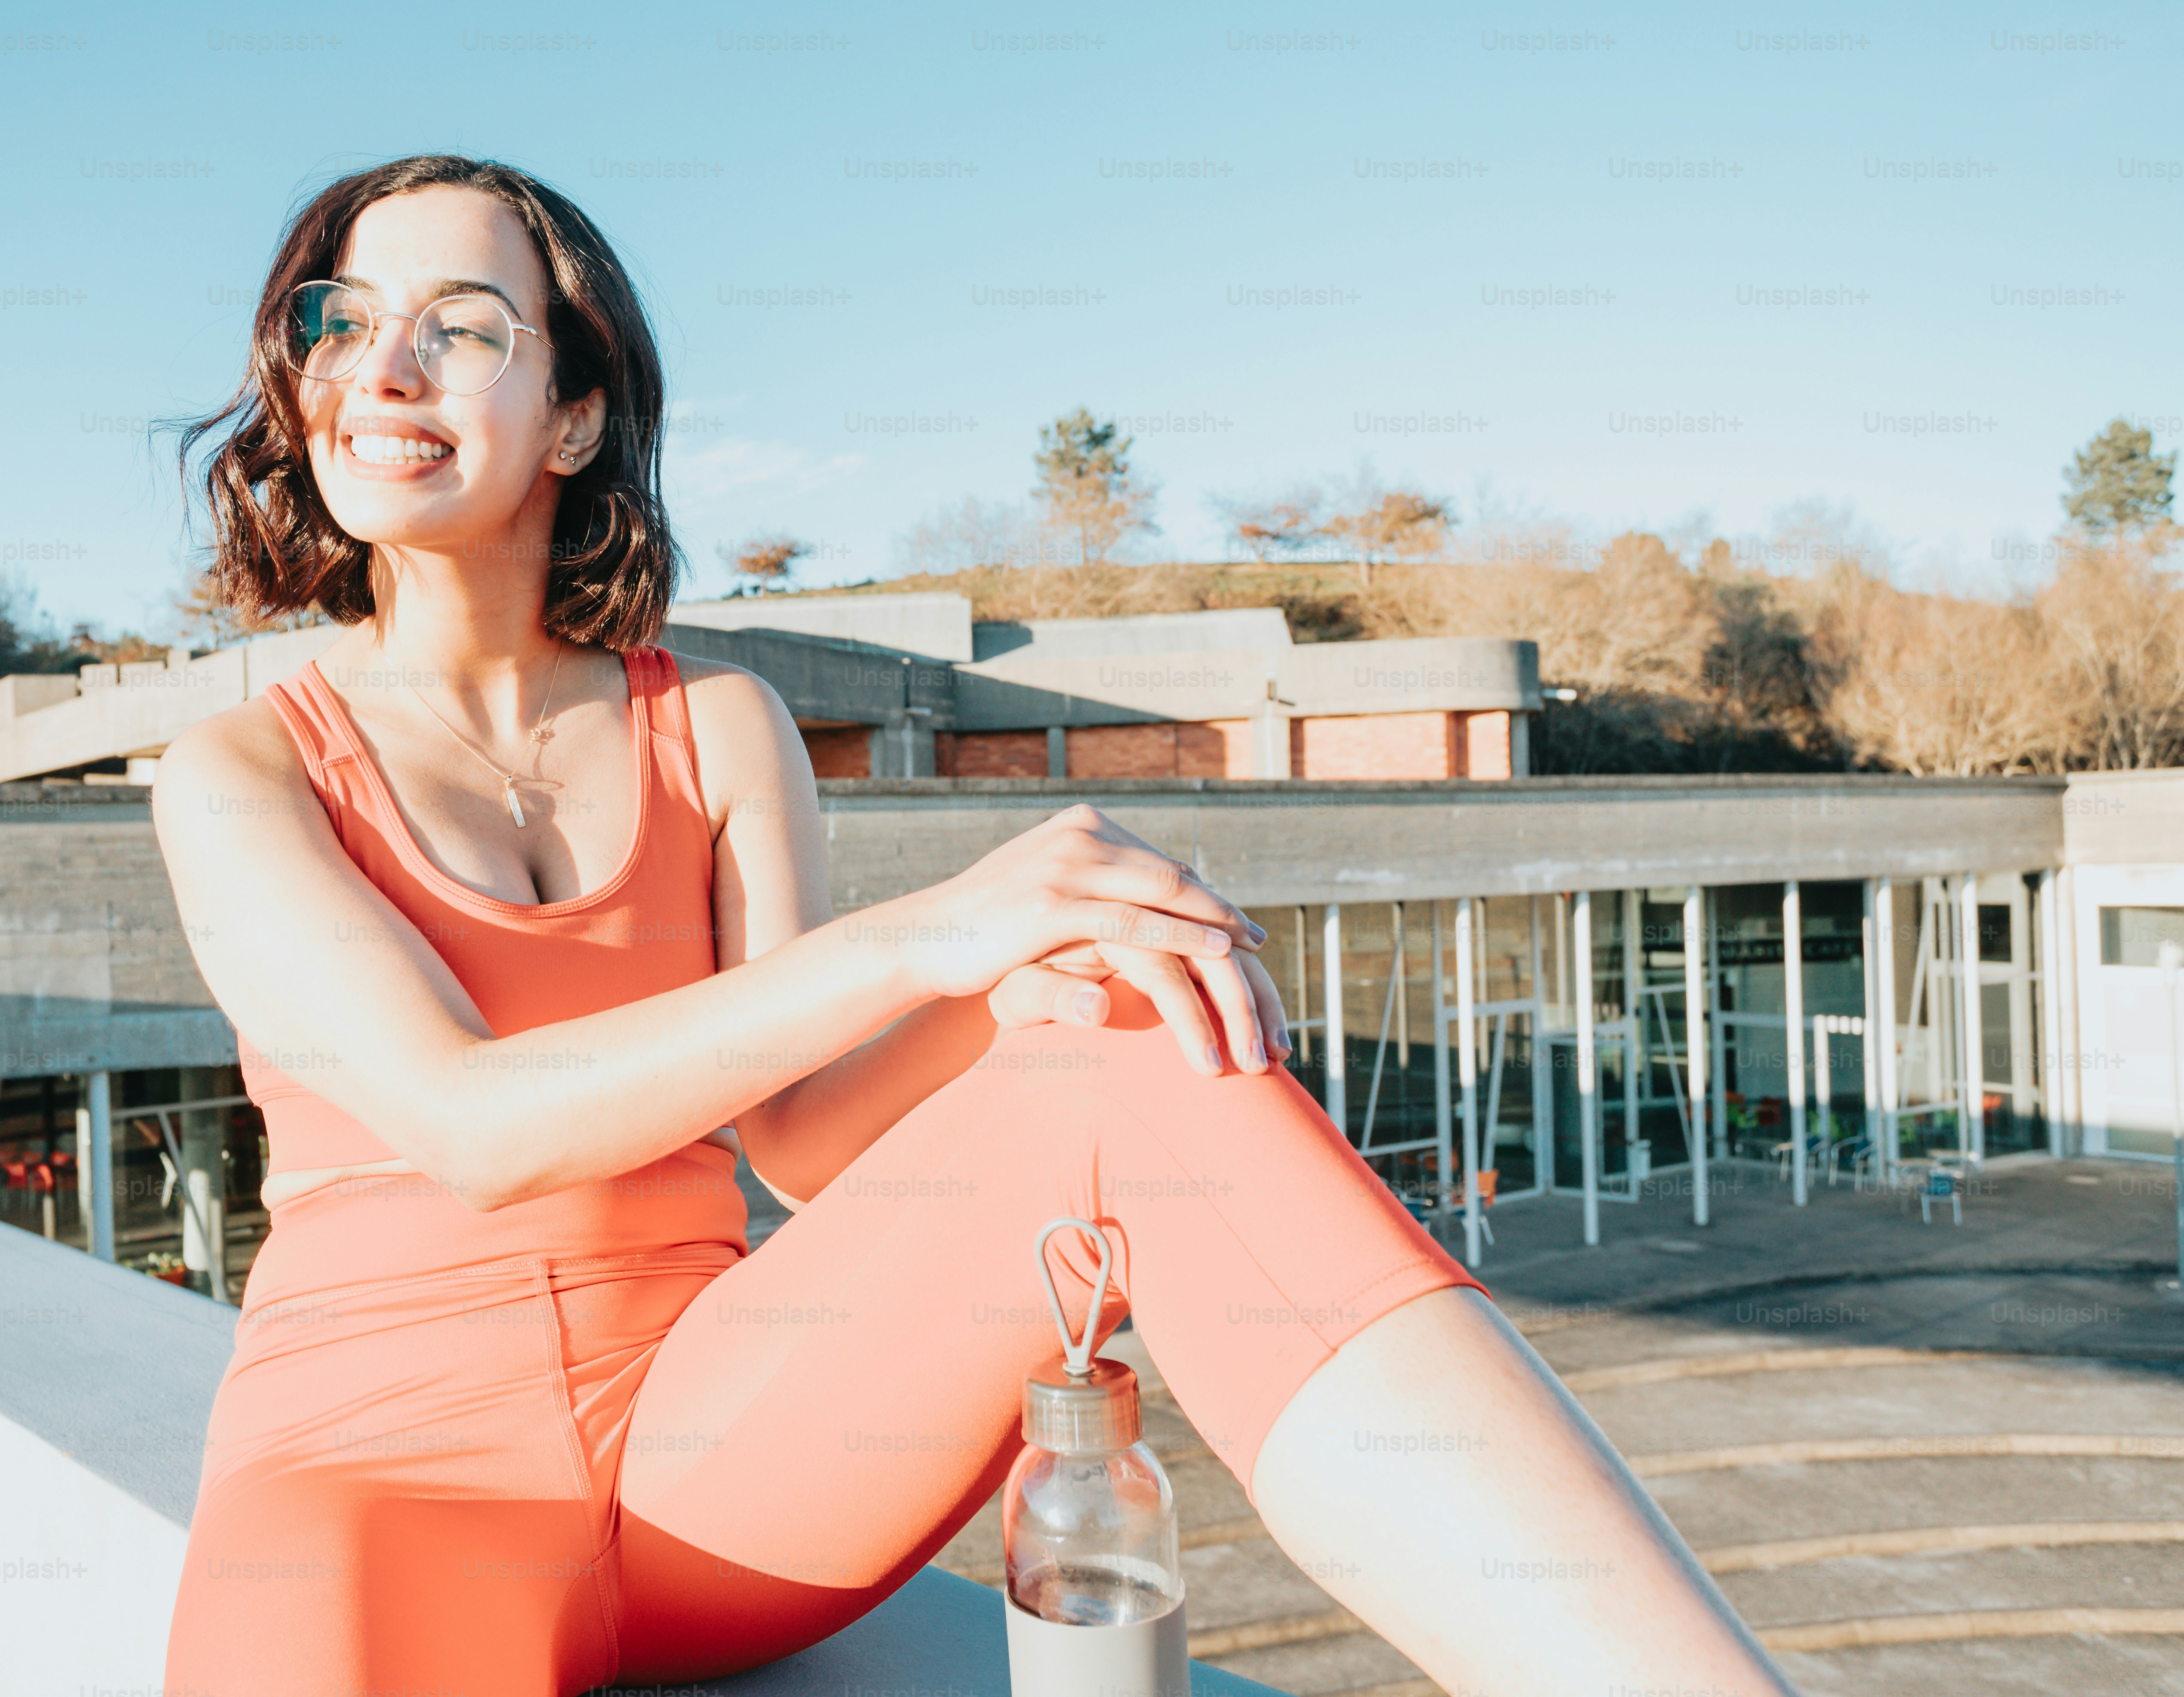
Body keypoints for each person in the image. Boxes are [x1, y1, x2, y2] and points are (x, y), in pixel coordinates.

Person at [153, 154, 1796, 1697]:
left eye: (462, 326)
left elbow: (800, 1136)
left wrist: (1038, 969)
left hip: (717, 1453)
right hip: (375, 1470)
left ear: (576, 413)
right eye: (341, 321)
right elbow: (469, 1126)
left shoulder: (715, 724)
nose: (386, 365)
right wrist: (933, 934)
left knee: (1125, 1042)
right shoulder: (235, 766)